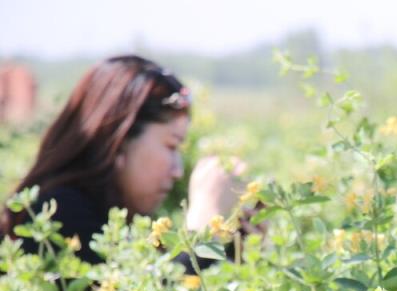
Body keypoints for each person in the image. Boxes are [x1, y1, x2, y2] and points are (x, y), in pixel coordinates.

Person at [0, 55, 244, 267]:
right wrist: (205, 224)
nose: (177, 170)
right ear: (119, 140)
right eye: (171, 146)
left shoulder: (115, 212)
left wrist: (238, 245)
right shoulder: (57, 211)